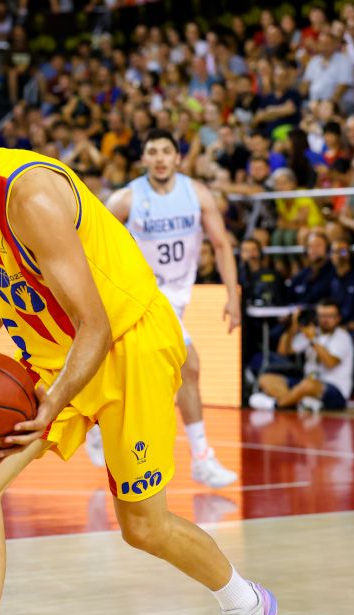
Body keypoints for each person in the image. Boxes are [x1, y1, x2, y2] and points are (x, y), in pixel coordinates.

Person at [0, 64, 275, 615]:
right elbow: (1, 281)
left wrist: (52, 400)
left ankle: (245, 605)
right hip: (56, 349)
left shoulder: (29, 195)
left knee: (142, 527)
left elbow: (95, 324)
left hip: (128, 341)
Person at [86, 129, 239, 488]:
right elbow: (92, 241)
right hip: (144, 295)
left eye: (166, 151)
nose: (159, 158)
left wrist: (232, 295)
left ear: (177, 157)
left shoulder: (196, 193)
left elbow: (221, 244)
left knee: (136, 372)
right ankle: (201, 458)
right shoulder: (127, 198)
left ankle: (96, 424)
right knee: (190, 366)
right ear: (143, 159)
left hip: (178, 296)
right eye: (152, 151)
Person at [248, 299, 354, 412]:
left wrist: (313, 340)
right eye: (322, 316)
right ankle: (295, 403)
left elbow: (330, 363)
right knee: (266, 379)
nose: (325, 320)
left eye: (330, 316)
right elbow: (283, 351)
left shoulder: (342, 337)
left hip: (335, 391)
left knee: (308, 384)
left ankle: (277, 405)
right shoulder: (313, 331)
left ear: (338, 318)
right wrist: (291, 328)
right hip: (305, 385)